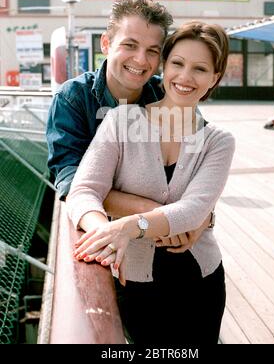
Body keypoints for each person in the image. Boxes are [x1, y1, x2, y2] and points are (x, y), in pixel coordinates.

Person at [67, 21, 235, 344]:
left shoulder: (219, 141)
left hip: (201, 284)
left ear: (214, 78)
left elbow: (193, 210)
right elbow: (83, 191)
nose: (185, 78)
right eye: (177, 64)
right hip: (136, 285)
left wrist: (127, 227)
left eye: (200, 69)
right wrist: (105, 230)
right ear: (164, 66)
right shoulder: (120, 121)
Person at [47, 0, 211, 254]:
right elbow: (72, 183)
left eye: (152, 51)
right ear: (106, 43)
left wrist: (204, 218)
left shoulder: (171, 95)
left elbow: (204, 174)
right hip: (117, 244)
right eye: (130, 45)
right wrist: (162, 215)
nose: (141, 60)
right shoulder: (73, 98)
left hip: (180, 251)